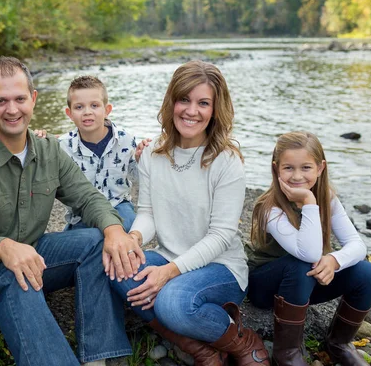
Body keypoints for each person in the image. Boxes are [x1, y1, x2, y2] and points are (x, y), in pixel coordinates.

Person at [0, 56, 144, 366]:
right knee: (17, 276)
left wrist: (114, 230)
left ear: (33, 99)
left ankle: (97, 358)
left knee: (95, 240)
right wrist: (2, 246)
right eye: (1, 101)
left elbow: (87, 197)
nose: (12, 109)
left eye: (20, 99)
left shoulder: (49, 150)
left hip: (37, 255)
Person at [111, 60, 270, 366]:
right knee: (118, 267)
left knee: (173, 302)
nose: (191, 111)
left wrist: (169, 273)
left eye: (203, 103)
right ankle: (200, 349)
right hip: (170, 255)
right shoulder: (154, 152)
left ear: (215, 109)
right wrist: (133, 237)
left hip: (221, 267)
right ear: (172, 101)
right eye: (184, 99)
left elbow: (222, 235)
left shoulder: (226, 161)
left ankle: (239, 341)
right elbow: (147, 213)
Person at [247, 131, 371, 366]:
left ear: (320, 168)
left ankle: (338, 343)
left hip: (302, 286)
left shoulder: (327, 198)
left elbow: (358, 245)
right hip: (265, 285)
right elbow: (307, 253)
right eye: (288, 168)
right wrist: (309, 202)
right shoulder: (270, 207)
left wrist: (334, 261)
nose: (297, 176)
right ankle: (287, 354)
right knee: (302, 264)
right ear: (276, 168)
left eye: (306, 168)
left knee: (369, 274)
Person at [59, 75, 137, 232]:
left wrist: (144, 158)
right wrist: (39, 138)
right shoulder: (62, 146)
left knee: (126, 225)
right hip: (81, 212)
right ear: (69, 113)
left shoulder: (125, 140)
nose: (87, 112)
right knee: (88, 237)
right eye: (79, 107)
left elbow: (139, 175)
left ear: (107, 110)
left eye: (94, 105)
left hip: (118, 204)